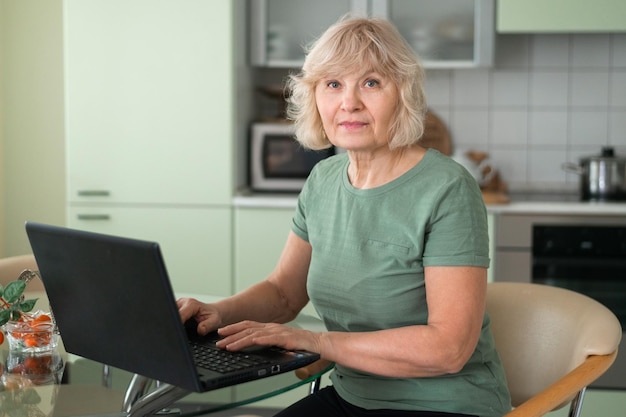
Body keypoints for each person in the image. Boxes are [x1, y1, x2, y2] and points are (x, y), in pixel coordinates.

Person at [177, 15, 512, 417]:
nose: (348, 102)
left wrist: (318, 342)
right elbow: (284, 293)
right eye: (333, 84)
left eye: (371, 83)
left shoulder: (448, 189)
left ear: (403, 94)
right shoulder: (323, 178)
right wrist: (219, 312)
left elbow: (449, 349)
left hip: (446, 404)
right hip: (354, 395)